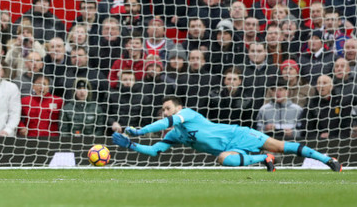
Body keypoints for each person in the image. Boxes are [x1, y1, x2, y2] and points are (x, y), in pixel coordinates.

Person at [113, 95, 342, 171]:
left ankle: (328, 159)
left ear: (178, 109)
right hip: (228, 150)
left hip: (239, 135)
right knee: (223, 159)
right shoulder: (175, 134)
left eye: (168, 108)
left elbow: (164, 123)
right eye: (163, 109)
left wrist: (139, 131)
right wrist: (131, 145)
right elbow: (154, 151)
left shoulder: (188, 114)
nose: (165, 112)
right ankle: (264, 159)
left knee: (282, 147)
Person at [301, 74, 354, 139]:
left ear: (331, 86)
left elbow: (346, 126)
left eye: (324, 83)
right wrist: (319, 136)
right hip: (317, 141)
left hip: (338, 141)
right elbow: (306, 127)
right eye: (319, 83)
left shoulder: (341, 102)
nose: (321, 86)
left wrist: (332, 136)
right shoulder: (311, 104)